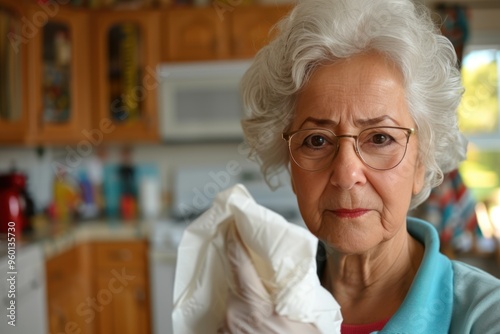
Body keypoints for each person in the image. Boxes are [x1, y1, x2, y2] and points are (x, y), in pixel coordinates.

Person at [223, 0, 500, 332]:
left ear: (421, 163)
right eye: (316, 140)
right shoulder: (258, 305)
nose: (345, 174)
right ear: (289, 162)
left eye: (380, 138)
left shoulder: (485, 316)